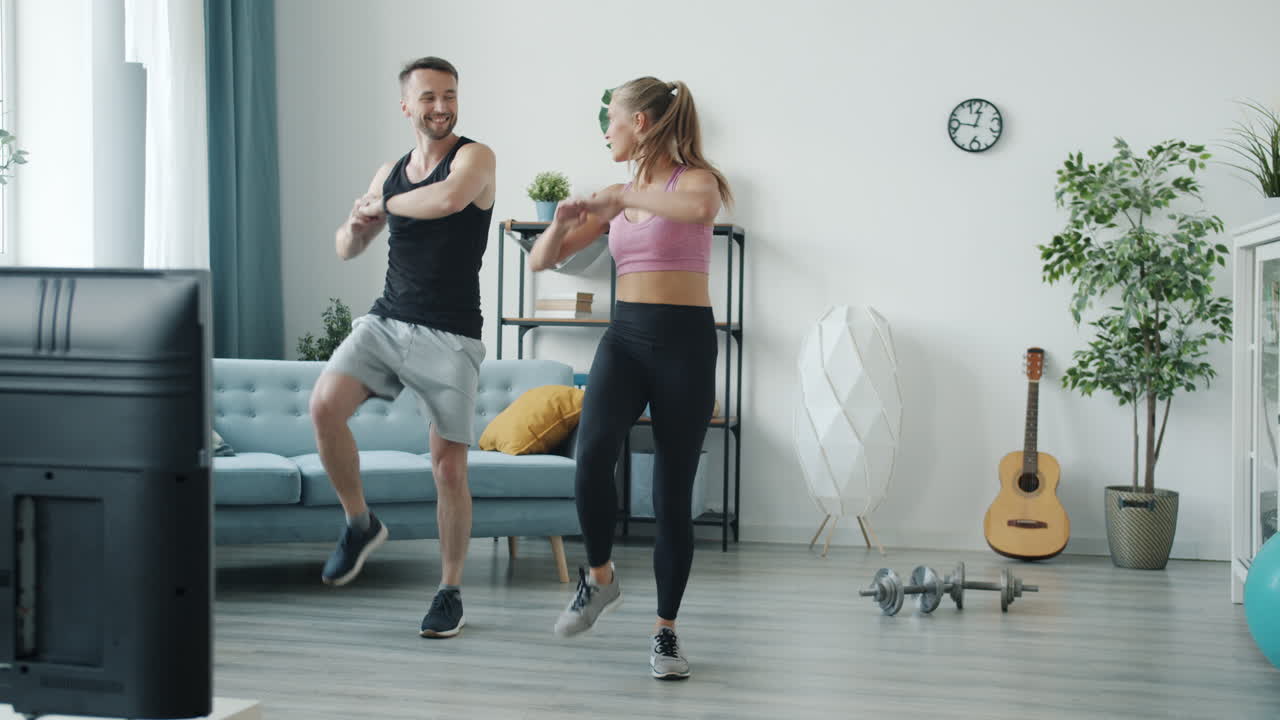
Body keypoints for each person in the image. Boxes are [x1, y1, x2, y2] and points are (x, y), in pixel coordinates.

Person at [528, 76, 732, 679]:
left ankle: (666, 633)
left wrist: (618, 202)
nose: (605, 131)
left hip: (686, 344)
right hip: (624, 339)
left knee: (672, 494)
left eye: (610, 120)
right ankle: (600, 579)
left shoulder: (697, 179)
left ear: (639, 124)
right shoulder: (616, 192)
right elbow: (543, 261)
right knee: (591, 456)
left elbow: (699, 211)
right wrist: (563, 222)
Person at [309, 56, 496, 640]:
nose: (442, 107)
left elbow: (444, 201)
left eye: (451, 95)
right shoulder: (389, 172)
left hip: (452, 332)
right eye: (430, 97)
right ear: (406, 106)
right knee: (324, 406)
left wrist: (383, 206)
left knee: (447, 469)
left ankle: (449, 591)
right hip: (388, 321)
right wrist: (357, 221)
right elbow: (346, 248)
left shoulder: (475, 157)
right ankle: (360, 523)